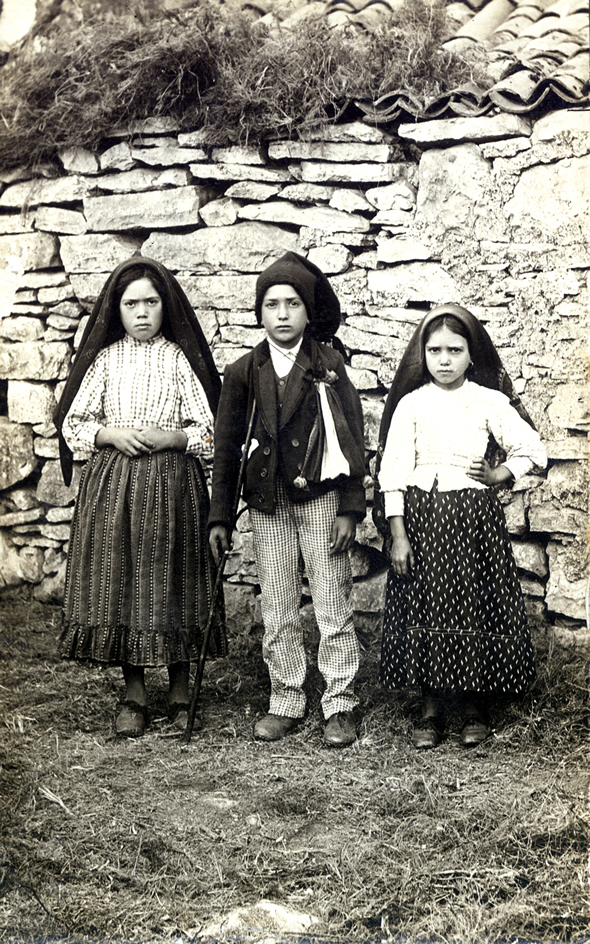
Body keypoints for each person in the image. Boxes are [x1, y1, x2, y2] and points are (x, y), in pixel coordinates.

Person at [54, 257, 226, 738]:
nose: (143, 312)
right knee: (123, 580)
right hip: (115, 486)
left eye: (152, 302)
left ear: (165, 306)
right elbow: (74, 424)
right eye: (132, 304)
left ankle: (179, 688)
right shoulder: (106, 360)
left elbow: (209, 430)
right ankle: (133, 692)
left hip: (172, 486)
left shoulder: (177, 359)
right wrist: (109, 433)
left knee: (174, 579)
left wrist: (172, 438)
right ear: (118, 310)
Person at [208, 252, 367, 747]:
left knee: (330, 597)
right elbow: (227, 446)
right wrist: (220, 516)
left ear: (307, 311)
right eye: (272, 304)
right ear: (259, 312)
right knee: (277, 601)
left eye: (292, 304)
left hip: (320, 499)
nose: (282, 314)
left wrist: (349, 506)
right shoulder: (243, 371)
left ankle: (340, 701)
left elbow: (352, 438)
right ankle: (286, 696)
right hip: (267, 502)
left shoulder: (328, 364)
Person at [374, 303, 547, 749]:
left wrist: (498, 475)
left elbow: (532, 448)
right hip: (421, 519)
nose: (445, 360)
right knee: (427, 604)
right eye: (435, 350)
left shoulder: (488, 400)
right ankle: (431, 706)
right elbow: (393, 471)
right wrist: (398, 535)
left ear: (473, 354)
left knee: (471, 602)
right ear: (422, 355)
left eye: (455, 349)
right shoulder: (411, 404)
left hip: (474, 523)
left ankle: (473, 704)